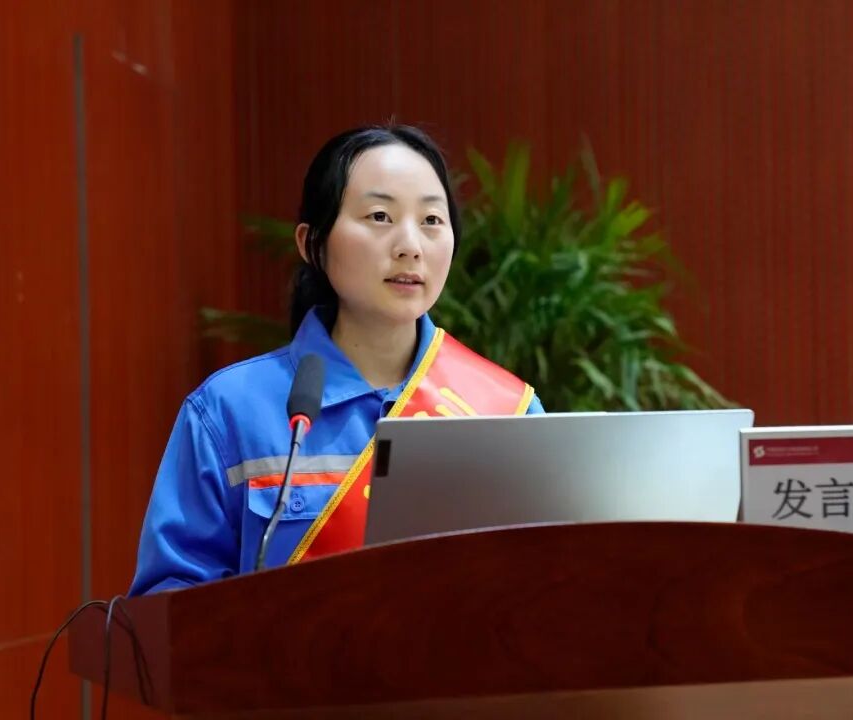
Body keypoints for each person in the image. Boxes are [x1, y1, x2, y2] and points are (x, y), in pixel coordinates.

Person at [129, 125, 544, 595]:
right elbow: (170, 608)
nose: (410, 245)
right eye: (380, 216)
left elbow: (545, 584)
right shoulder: (228, 411)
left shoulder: (509, 413)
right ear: (312, 243)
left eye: (431, 220)